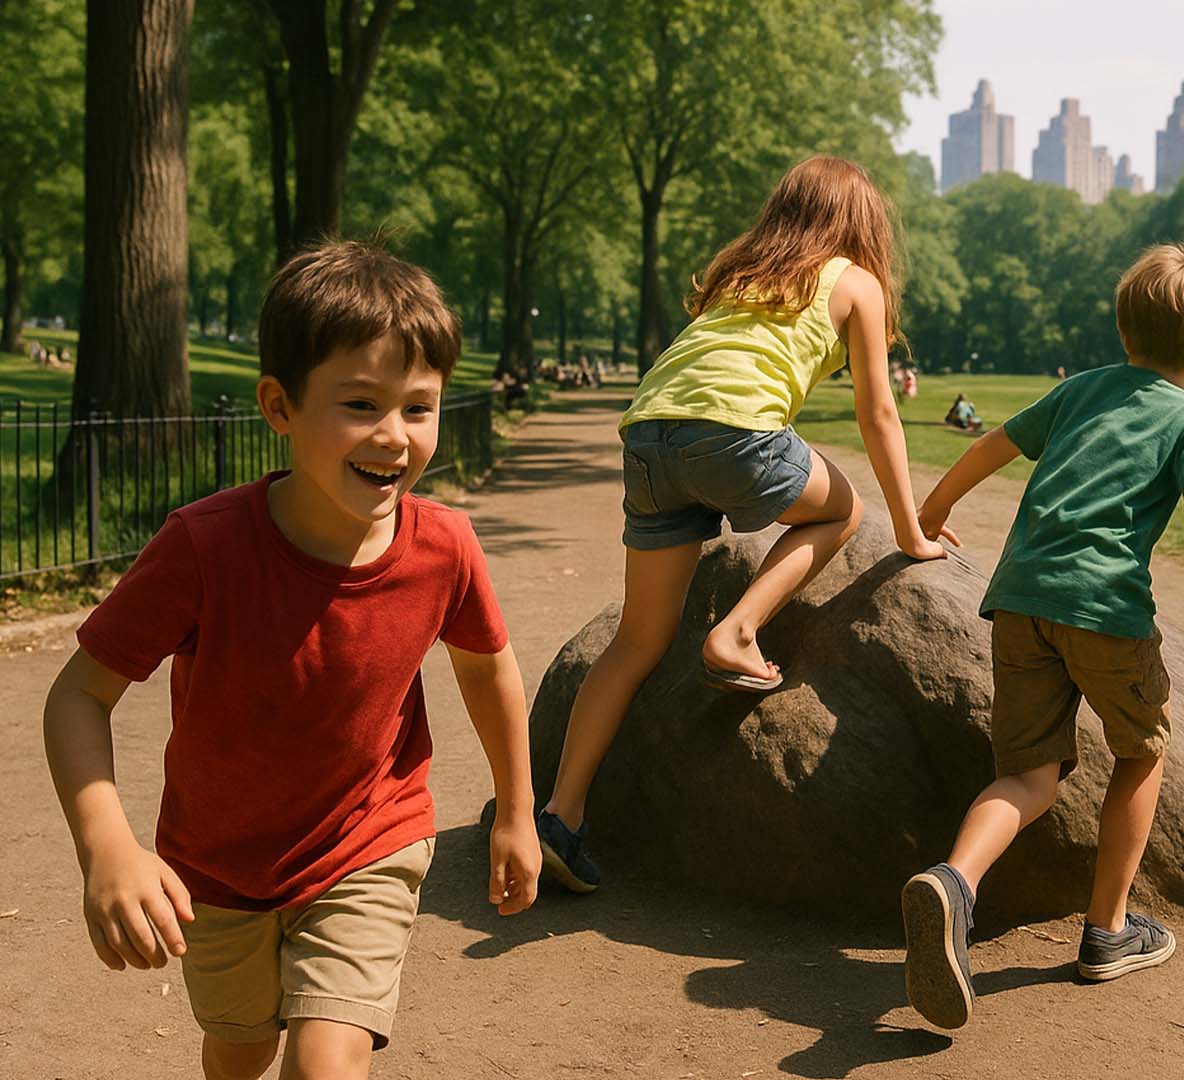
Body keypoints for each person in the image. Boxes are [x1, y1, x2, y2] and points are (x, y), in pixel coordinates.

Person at [42, 240, 541, 1080]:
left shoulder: (444, 546)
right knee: (240, 1052)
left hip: (369, 841)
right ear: (279, 406)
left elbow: (488, 669)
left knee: (324, 1061)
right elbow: (76, 698)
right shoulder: (203, 548)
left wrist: (519, 812)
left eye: (419, 407)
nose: (394, 436)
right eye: (360, 404)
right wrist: (108, 849)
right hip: (219, 864)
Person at [535, 155, 950, 894]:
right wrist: (911, 529)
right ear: (862, 226)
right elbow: (878, 411)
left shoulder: (739, 272)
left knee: (637, 640)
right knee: (844, 506)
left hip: (649, 436)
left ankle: (559, 818)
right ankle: (737, 631)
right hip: (735, 436)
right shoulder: (855, 283)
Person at [901, 244, 1184, 1030]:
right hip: (1107, 613)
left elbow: (992, 445)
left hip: (1021, 600)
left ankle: (955, 883)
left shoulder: (1080, 391)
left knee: (1029, 777)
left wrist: (929, 512)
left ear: (1123, 328)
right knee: (1141, 752)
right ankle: (1107, 930)